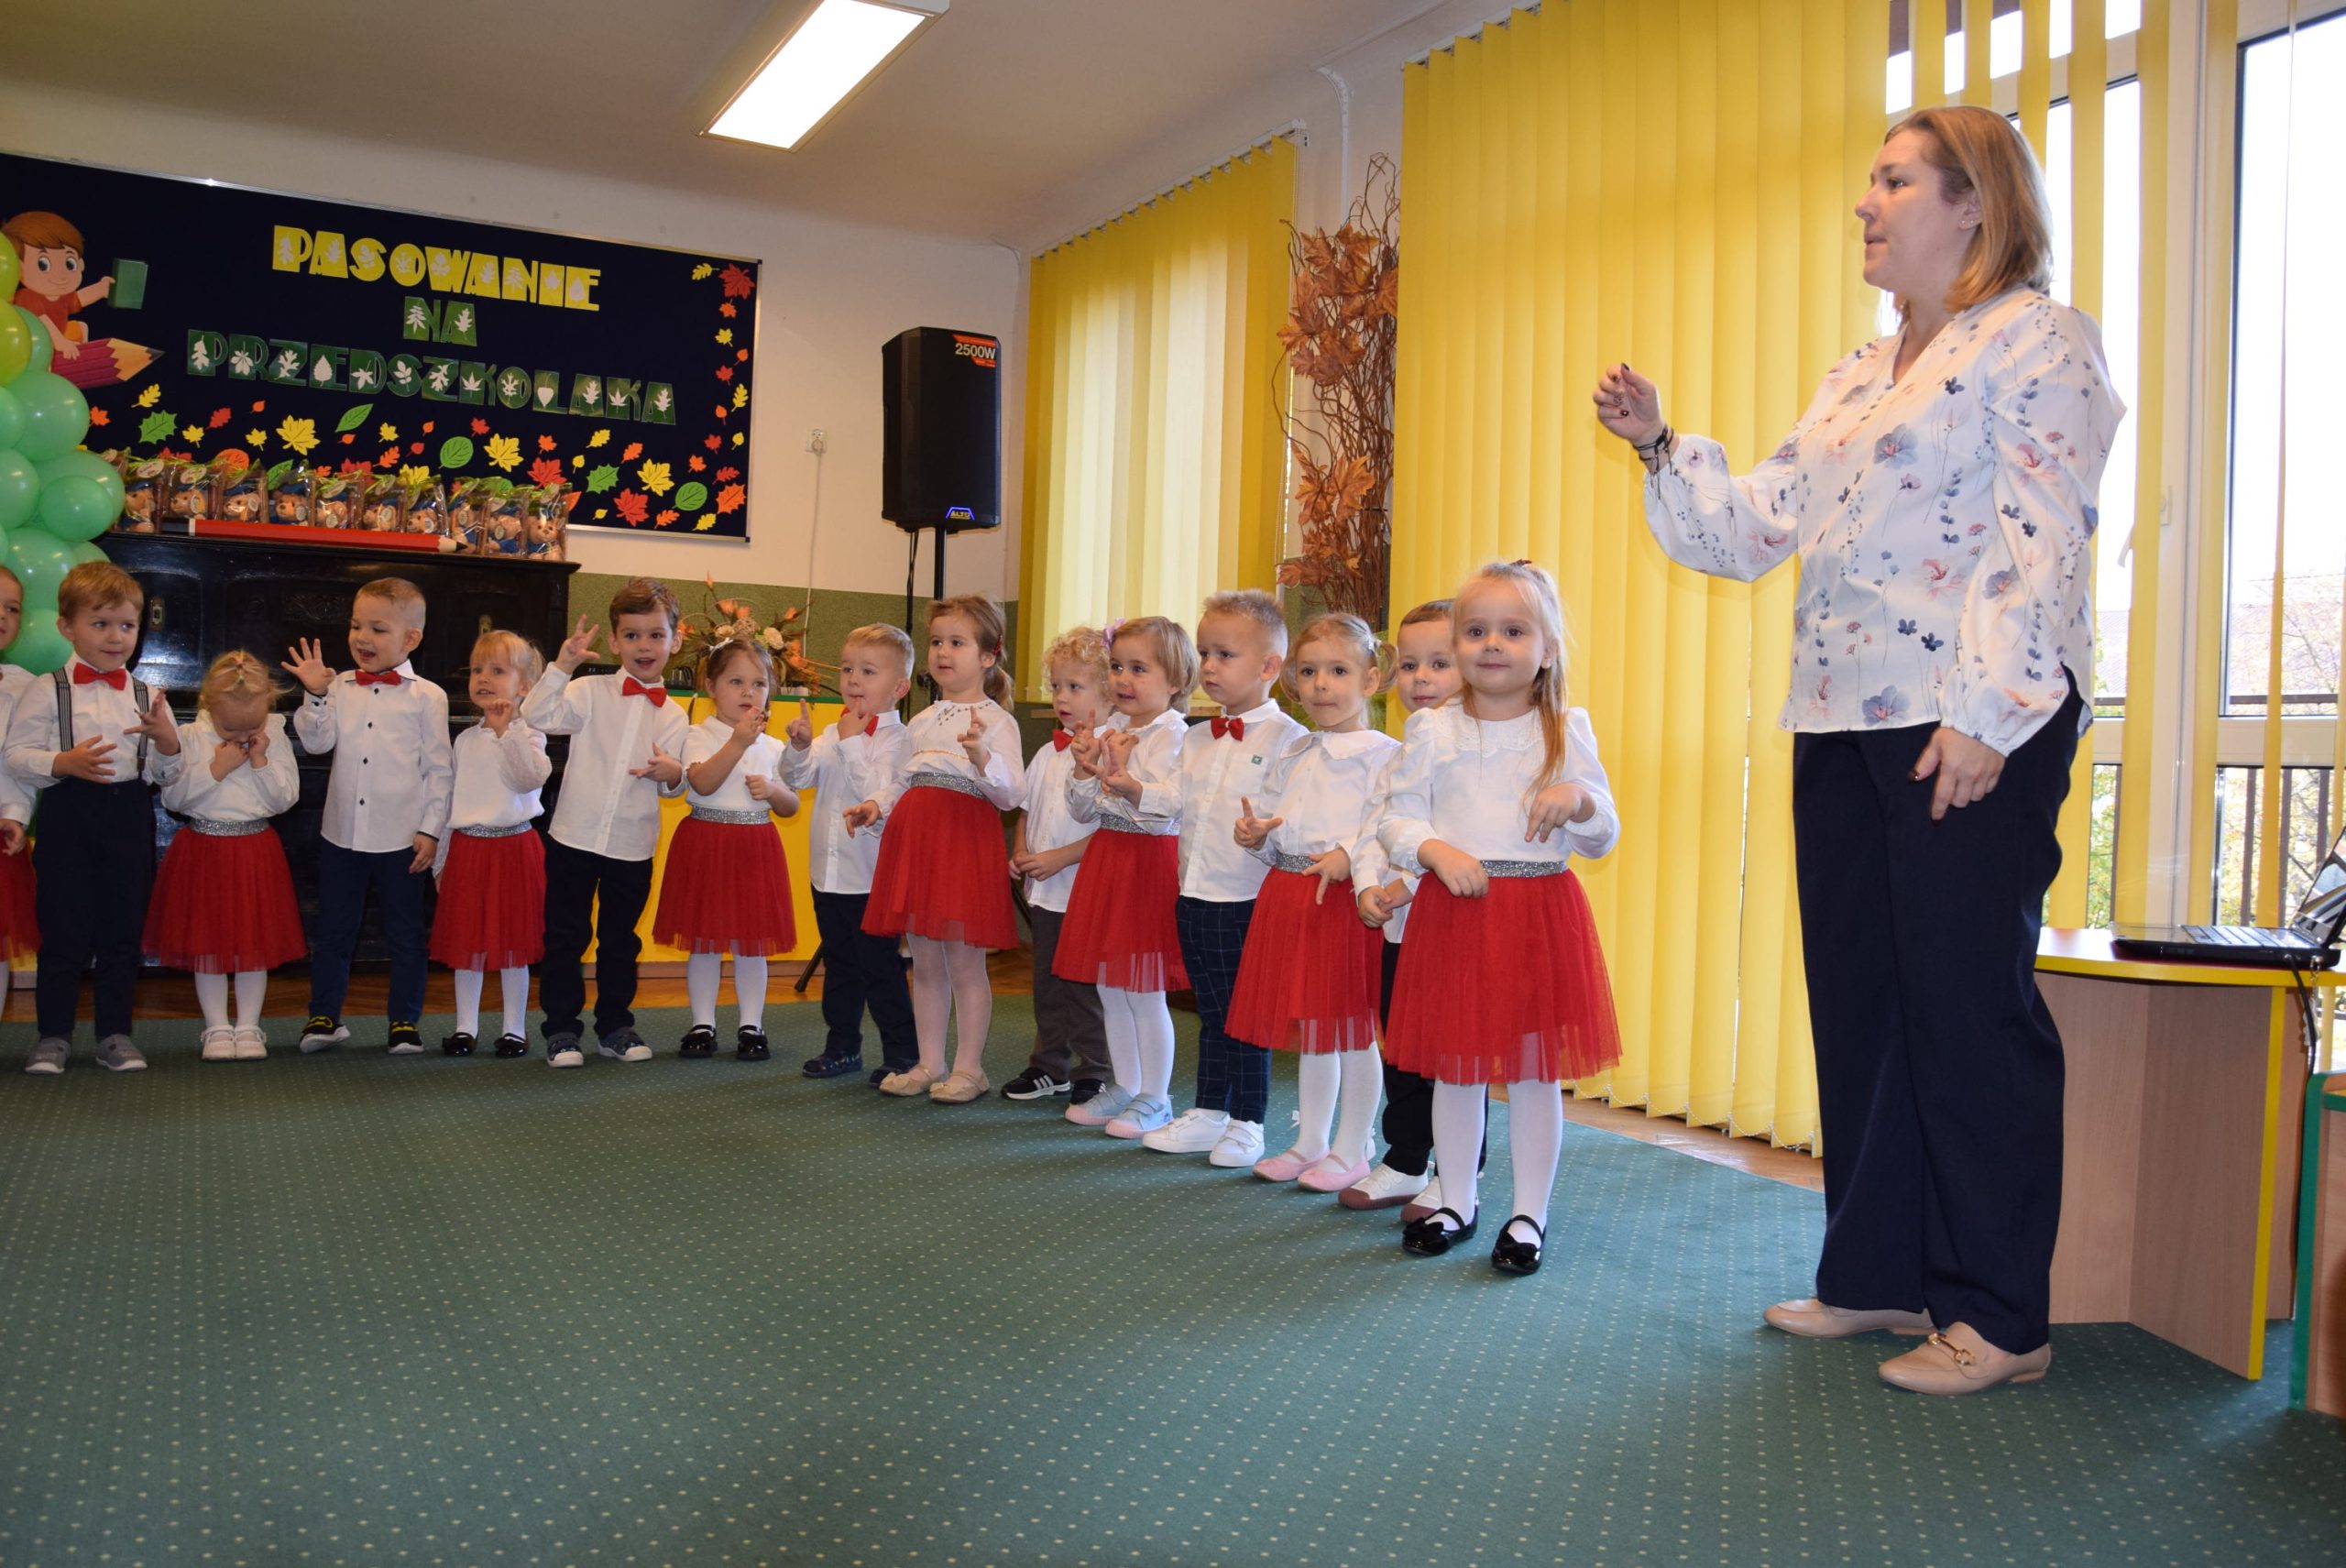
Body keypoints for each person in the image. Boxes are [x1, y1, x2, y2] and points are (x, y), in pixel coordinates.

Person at [1592, 104, 2122, 1393]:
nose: (1863, 204)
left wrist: (1990, 713)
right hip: (1842, 714)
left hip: (1968, 718)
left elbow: (2042, 536)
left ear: (1974, 203)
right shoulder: (1858, 370)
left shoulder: (2038, 339)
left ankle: (2000, 1315)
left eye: (1892, 181)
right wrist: (1661, 444)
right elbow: (1753, 525)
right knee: (1865, 1005)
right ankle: (1880, 1271)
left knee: (1965, 1010)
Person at [1380, 561, 1621, 1277]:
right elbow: (1396, 818)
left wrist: (1579, 799)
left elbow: (1603, 834)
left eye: (1514, 631)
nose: (1492, 644)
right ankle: (1457, 1198)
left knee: (1533, 1074)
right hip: (1455, 915)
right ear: (1457, 646)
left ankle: (1529, 1214)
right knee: (1455, 1070)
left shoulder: (1565, 728)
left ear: (1546, 649)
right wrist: (1434, 849)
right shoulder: (1432, 729)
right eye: (1477, 630)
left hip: (1538, 917)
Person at [1115, 590, 1304, 1167]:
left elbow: (1295, 822)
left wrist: (1264, 835)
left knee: (1245, 1015)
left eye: (1225, 654)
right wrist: (1132, 788)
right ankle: (1209, 1110)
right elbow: (1174, 802)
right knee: (1210, 1010)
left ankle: (1249, 1121)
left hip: (1246, 897)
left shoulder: (1289, 740)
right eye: (1205, 653)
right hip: (1194, 893)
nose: (1210, 666)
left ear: (1269, 667)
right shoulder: (1197, 737)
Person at [1225, 612, 1398, 1191]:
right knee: (1315, 1029)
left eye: (1338, 671)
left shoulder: (1383, 754)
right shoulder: (1296, 750)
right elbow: (1281, 819)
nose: (1321, 684)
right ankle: (1312, 1141)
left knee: (1350, 1030)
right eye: (1309, 671)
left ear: (1370, 680)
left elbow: (1388, 824)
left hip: (1343, 901)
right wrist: (1259, 834)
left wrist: (1349, 853)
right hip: (1291, 893)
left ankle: (1353, 1148)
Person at [847, 594, 1025, 1105]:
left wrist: (982, 756)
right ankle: (930, 1063)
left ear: (988, 655)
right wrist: (876, 805)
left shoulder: (998, 721)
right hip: (918, 845)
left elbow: (1012, 794)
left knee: (964, 963)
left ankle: (970, 1069)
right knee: (924, 962)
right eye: (937, 641)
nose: (944, 652)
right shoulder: (922, 720)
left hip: (962, 846)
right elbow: (903, 781)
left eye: (958, 642)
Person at [5, 562, 181, 1073]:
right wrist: (61, 762)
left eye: (126, 625)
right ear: (67, 627)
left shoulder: (148, 695)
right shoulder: (47, 689)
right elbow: (16, 755)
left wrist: (168, 743)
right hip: (68, 814)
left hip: (128, 815)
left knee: (122, 931)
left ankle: (114, 1034)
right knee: (63, 929)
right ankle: (53, 1036)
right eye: (100, 624)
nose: (115, 637)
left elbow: (168, 774)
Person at [522, 580, 689, 1069]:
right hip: (573, 837)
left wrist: (672, 773)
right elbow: (537, 714)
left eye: (655, 635)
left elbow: (675, 786)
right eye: (632, 635)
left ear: (675, 640)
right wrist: (562, 666)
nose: (644, 646)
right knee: (565, 938)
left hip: (632, 846)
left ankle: (615, 1026)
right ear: (614, 641)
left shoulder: (675, 715)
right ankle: (561, 1030)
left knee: (620, 941)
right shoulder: (586, 691)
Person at [284, 576, 454, 1055]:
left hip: (402, 838)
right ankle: (324, 1016)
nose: (362, 637)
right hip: (342, 835)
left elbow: (439, 771)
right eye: (357, 625)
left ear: (411, 638)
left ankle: (404, 1021)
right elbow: (316, 743)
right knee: (334, 929)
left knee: (406, 933)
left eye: (378, 629)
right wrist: (315, 695)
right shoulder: (338, 686)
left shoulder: (429, 697)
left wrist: (431, 830)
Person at [1346, 599, 1472, 1214]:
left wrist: (1406, 886)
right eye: (1411, 665)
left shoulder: (1473, 754)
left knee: (1452, 1056)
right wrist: (1366, 886)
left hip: (1450, 929)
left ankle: (1457, 1171)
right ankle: (1405, 1158)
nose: (1421, 678)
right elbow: (1375, 827)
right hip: (1399, 931)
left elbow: (1465, 841)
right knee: (1402, 1047)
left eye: (1439, 664)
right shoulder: (1401, 752)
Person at [1056, 617, 1195, 1135]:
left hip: (1147, 864)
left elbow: (1170, 810)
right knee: (1110, 985)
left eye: (1139, 669)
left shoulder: (1176, 736)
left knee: (1143, 989)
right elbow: (1082, 810)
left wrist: (1129, 784)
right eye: (1117, 667)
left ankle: (1156, 1096)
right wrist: (1082, 768)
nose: (1123, 679)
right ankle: (1126, 1084)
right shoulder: (1110, 728)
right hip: (1108, 859)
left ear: (1175, 680)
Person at [145, 652, 304, 1060]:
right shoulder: (190, 737)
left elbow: (285, 799)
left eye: (253, 727)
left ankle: (249, 1025)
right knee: (208, 944)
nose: (244, 736)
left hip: (255, 850)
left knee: (254, 943)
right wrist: (217, 769)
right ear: (208, 708)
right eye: (231, 729)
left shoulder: (273, 735)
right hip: (204, 850)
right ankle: (216, 1026)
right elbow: (174, 799)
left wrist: (260, 761)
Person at [653, 635, 801, 1061]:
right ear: (711, 687)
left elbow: (790, 806)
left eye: (758, 684)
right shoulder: (700, 734)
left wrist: (773, 790)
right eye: (736, 682)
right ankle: (702, 1023)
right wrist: (738, 742)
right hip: (706, 844)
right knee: (703, 942)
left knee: (751, 945)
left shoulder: (774, 746)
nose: (748, 692)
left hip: (755, 847)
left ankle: (752, 1024)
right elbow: (701, 782)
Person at [782, 625, 916, 1084]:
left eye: (868, 671)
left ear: (899, 687)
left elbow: (877, 794)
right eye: (846, 669)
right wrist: (800, 746)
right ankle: (842, 1048)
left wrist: (852, 740)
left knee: (882, 970)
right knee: (840, 967)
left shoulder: (902, 742)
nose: (853, 679)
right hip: (828, 875)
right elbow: (799, 778)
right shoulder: (832, 731)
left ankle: (902, 1053)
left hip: (871, 880)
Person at [997, 625, 1112, 1105]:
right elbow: (1027, 809)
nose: (1062, 697)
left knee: (1084, 988)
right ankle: (1050, 1065)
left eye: (1075, 687)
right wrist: (1021, 851)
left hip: (1085, 888)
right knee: (1047, 983)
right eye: (1057, 686)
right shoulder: (1048, 752)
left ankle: (1096, 1069)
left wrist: (1058, 858)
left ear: (1108, 692)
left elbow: (1111, 830)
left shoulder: (1112, 751)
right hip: (1046, 892)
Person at [429, 630, 551, 1058]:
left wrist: (506, 733)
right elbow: (452, 802)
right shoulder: (464, 740)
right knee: (468, 946)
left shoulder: (529, 734)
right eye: (477, 669)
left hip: (514, 850)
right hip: (468, 850)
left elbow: (528, 778)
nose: (483, 678)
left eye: (497, 670)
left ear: (524, 686)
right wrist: (441, 860)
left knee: (513, 946)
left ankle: (514, 1028)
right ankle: (465, 1027)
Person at [0, 567, 41, 1016]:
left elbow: (15, 763)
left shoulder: (21, 686)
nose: (2, 615)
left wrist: (14, 812)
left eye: (12, 608)